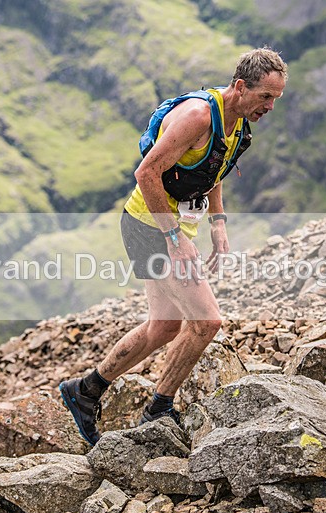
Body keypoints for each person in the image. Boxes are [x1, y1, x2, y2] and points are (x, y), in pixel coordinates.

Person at [60, 47, 288, 445]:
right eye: (265, 97)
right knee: (207, 322)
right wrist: (172, 237)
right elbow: (147, 171)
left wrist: (218, 222)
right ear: (239, 86)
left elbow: (213, 166)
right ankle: (158, 410)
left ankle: (85, 391)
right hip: (151, 226)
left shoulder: (235, 122)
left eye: (276, 99)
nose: (270, 107)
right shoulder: (199, 116)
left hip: (172, 227)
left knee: (164, 327)